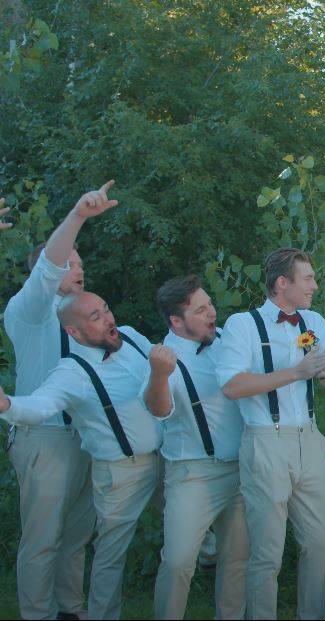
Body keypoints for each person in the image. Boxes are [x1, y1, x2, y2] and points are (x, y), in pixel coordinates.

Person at [0, 291, 163, 620]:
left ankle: (209, 555)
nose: (109, 320)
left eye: (106, 309)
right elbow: (41, 404)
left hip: (166, 458)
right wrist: (8, 405)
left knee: (194, 537)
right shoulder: (72, 372)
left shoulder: (130, 336)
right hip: (121, 473)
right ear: (74, 333)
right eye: (96, 318)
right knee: (110, 557)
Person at [3, 182, 117, 619]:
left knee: (76, 535)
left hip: (85, 437)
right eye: (70, 263)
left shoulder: (85, 319)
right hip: (43, 438)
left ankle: (71, 609)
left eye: (81, 263)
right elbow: (49, 268)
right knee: (43, 538)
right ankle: (36, 614)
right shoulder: (29, 312)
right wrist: (78, 217)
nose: (78, 268)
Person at [216, 247, 325, 619]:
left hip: (309, 440)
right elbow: (232, 386)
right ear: (282, 283)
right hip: (265, 441)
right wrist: (296, 372)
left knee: (320, 544)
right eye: (308, 279)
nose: (314, 286)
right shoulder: (243, 325)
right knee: (267, 552)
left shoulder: (314, 321)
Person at [143, 275, 249, 619]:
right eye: (201, 310)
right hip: (193, 474)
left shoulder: (227, 341)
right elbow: (159, 409)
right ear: (177, 321)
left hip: (241, 467)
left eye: (209, 304)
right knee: (177, 562)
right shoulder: (166, 358)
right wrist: (159, 375)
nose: (212, 313)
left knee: (236, 560)